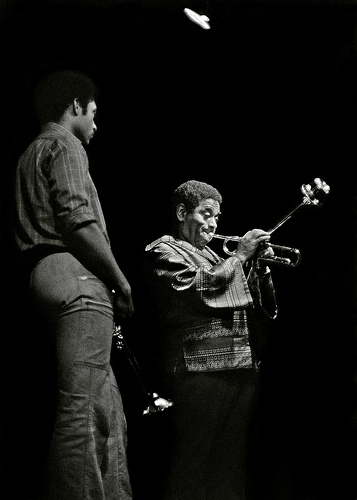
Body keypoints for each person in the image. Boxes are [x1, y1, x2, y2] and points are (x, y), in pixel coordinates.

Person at [13, 69, 134, 500]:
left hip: (43, 277)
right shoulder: (65, 144)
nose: (97, 124)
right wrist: (120, 281)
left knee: (107, 415)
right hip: (75, 277)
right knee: (81, 415)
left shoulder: (29, 152)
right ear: (76, 106)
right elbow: (77, 220)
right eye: (94, 112)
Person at [144, 179, 278, 500]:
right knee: (194, 465)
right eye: (206, 214)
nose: (214, 224)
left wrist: (259, 269)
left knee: (229, 468)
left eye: (217, 217)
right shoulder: (163, 249)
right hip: (198, 372)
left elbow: (261, 311)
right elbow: (198, 290)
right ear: (182, 213)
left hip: (236, 367)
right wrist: (241, 257)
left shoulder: (216, 258)